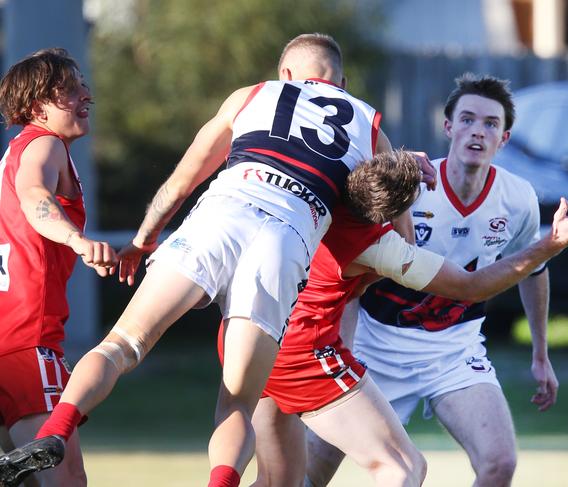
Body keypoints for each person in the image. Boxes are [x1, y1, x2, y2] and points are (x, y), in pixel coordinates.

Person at [0, 33, 435, 487]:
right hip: (285, 241)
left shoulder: (253, 95)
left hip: (223, 212)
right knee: (238, 402)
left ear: (284, 75)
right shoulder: (371, 126)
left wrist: (144, 239)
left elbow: (182, 181)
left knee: (121, 345)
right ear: (341, 82)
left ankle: (57, 429)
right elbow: (401, 243)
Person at [246, 153, 568, 487]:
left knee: (277, 481)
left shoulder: (330, 207)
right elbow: (472, 286)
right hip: (309, 354)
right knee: (403, 468)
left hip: (265, 336)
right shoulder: (377, 247)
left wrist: (398, 163)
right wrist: (551, 243)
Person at [304, 73, 567, 487]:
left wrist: (541, 353)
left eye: (490, 124)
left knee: (500, 464)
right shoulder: (413, 189)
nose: (477, 131)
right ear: (448, 127)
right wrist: (345, 349)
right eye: (467, 119)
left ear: (506, 138)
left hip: (454, 350)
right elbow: (353, 269)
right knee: (308, 472)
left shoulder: (518, 199)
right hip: (378, 346)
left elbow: (532, 269)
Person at [0, 48, 117, 487]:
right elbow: (34, 196)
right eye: (67, 89)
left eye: (81, 84)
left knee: (28, 478)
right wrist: (77, 239)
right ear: (37, 107)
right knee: (66, 478)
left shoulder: (13, 152)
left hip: (5, 338)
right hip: (26, 341)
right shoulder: (43, 143)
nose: (85, 94)